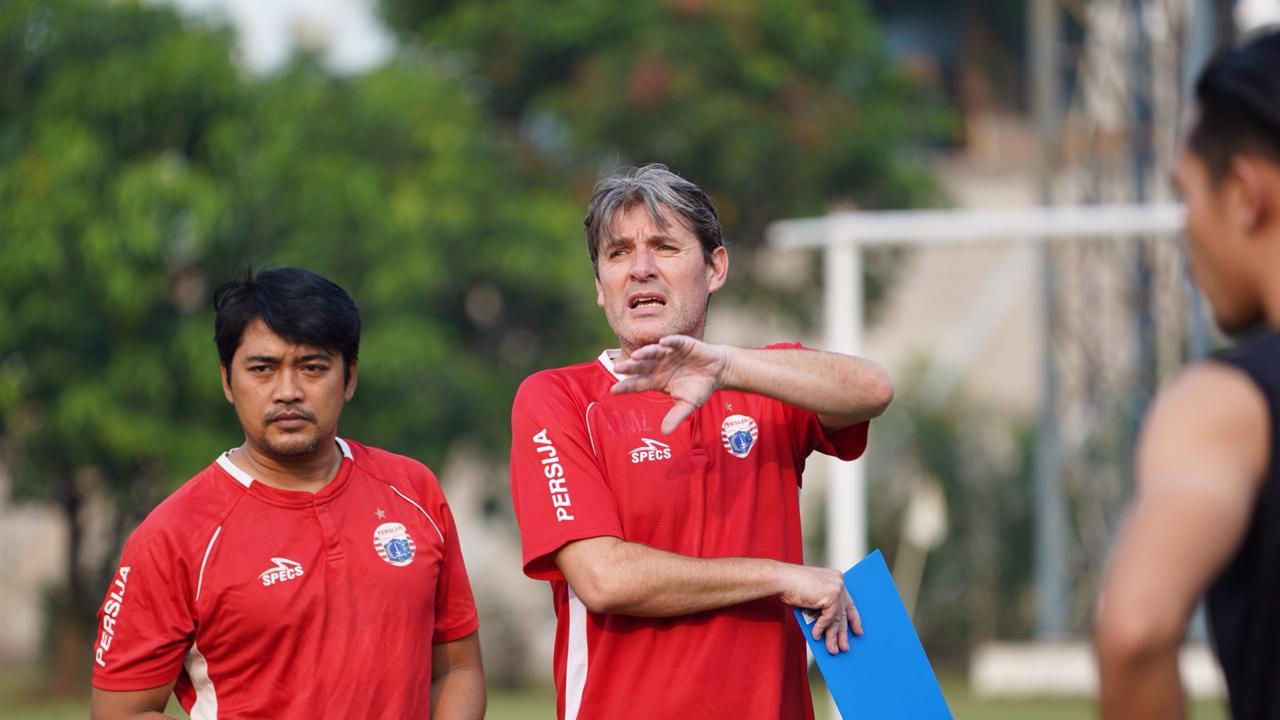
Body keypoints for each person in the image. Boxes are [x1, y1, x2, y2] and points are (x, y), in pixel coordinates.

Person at [508, 165, 894, 719]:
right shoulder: (559, 398)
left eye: (664, 247)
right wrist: (781, 577)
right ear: (599, 285)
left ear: (715, 267)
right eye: (617, 254)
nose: (640, 269)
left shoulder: (762, 381)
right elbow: (604, 578)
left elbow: (874, 389)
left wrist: (730, 367)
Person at [90, 268, 485, 719]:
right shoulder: (174, 534)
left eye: (313, 367)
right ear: (227, 381)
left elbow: (456, 670)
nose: (288, 392)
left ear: (350, 377)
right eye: (263, 369)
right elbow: (121, 711)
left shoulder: (413, 490)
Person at [1095, 29, 1280, 720]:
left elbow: (1135, 629)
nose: (1186, 227)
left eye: (1188, 194)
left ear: (1244, 193)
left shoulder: (1231, 405)